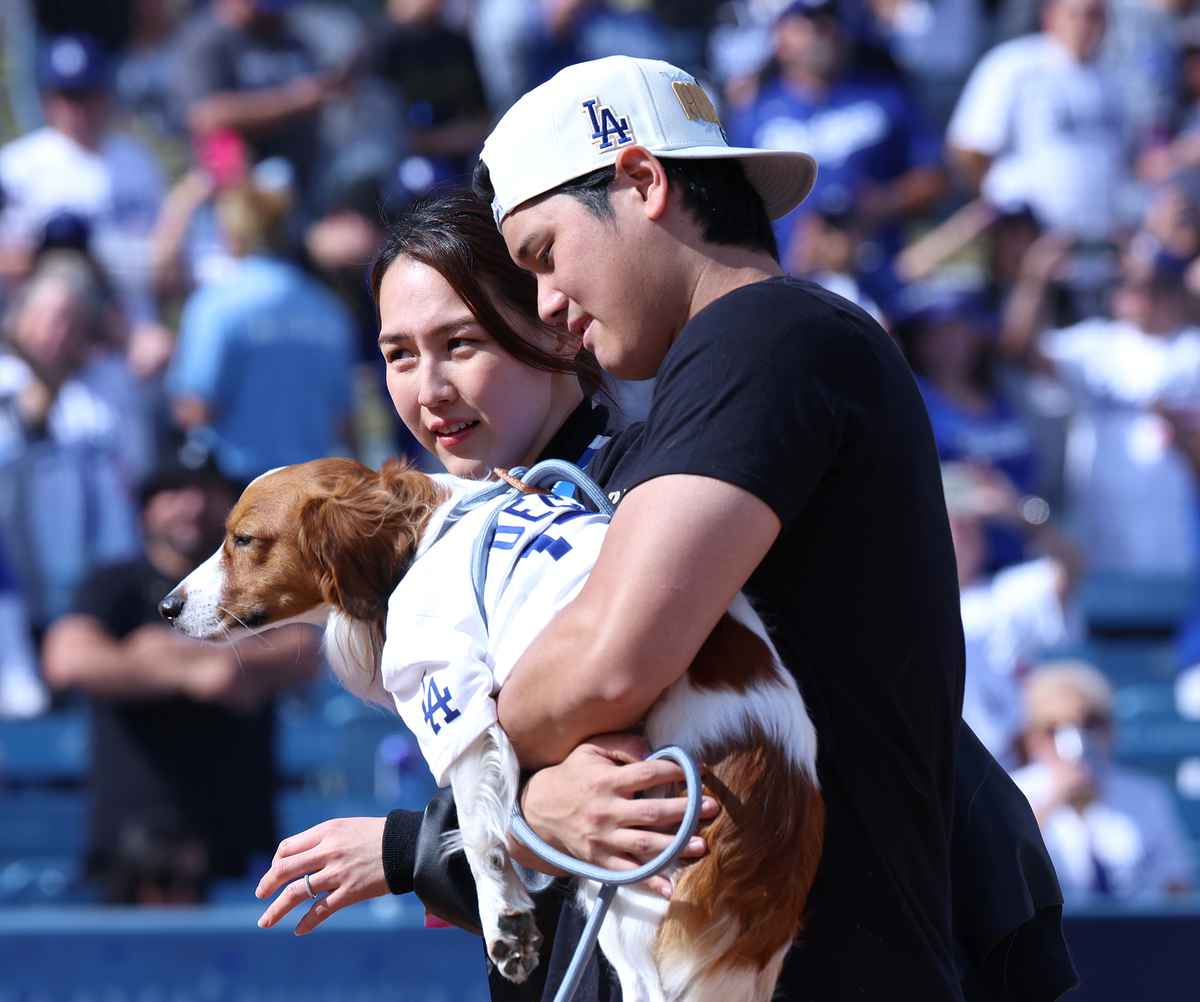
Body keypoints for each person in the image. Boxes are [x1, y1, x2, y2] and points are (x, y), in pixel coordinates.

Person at [263, 60, 1074, 1002]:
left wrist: (487, 791)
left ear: (645, 184)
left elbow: (611, 661)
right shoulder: (735, 366)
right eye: (398, 354)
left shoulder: (763, 334)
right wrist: (515, 806)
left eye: (542, 260)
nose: (552, 307)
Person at [41, 458, 322, 904]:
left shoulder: (256, 579)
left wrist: (157, 651)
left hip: (239, 853)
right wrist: (201, 666)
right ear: (144, 510)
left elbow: (307, 650)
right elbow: (68, 659)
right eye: (173, 492)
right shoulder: (115, 583)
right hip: (125, 851)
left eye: (207, 492)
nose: (191, 506)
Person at [1001, 239, 1200, 575]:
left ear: (1174, 290)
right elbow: (1020, 351)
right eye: (1129, 283)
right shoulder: (1096, 344)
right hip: (1101, 534)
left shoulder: (1193, 351)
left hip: (1177, 538)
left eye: (1153, 285)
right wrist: (1035, 281)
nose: (1139, 295)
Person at [165, 175, 358, 483]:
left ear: (231, 233)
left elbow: (195, 405)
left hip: (242, 489)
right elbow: (344, 419)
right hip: (313, 491)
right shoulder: (328, 308)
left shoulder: (216, 303)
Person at [0, 253, 151, 641]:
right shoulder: (7, 379)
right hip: (20, 572)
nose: (58, 331)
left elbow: (138, 468)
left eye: (70, 320)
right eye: (49, 317)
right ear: (22, 317)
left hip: (104, 570)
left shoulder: (113, 382)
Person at [0, 34, 166, 324]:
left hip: (130, 329)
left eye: (87, 95)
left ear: (105, 95)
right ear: (48, 100)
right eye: (68, 97)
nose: (78, 109)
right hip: (48, 332)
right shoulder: (17, 165)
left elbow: (165, 254)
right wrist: (49, 254)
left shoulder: (136, 161)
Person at [946, 0, 1131, 243]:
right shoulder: (1014, 64)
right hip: (1025, 235)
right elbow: (970, 148)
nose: (1083, 26)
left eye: (1094, 17)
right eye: (1074, 15)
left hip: (1096, 239)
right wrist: (999, 209)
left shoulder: (1112, 80)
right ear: (1050, 16)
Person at [1012, 661, 1196, 900]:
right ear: (1032, 738)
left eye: (1091, 725)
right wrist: (1052, 802)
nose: (1076, 742)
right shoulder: (1012, 793)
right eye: (1053, 729)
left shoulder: (1147, 796)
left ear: (1110, 730)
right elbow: (999, 873)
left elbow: (1177, 886)